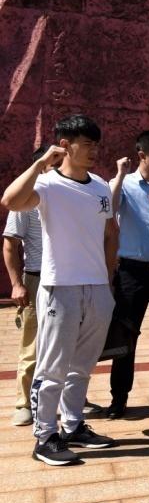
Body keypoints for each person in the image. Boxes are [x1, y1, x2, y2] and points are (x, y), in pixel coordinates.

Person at [2, 117, 119, 465]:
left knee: (82, 365)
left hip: (97, 286)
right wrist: (40, 162)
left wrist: (107, 281)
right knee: (52, 367)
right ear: (65, 145)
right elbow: (10, 200)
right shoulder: (47, 183)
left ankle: (72, 425)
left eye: (96, 144)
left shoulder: (100, 186)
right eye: (87, 143)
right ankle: (44, 437)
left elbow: (108, 234)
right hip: (60, 287)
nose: (94, 150)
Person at [103, 130, 149, 419]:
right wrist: (119, 175)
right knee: (126, 337)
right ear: (142, 154)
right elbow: (109, 210)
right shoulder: (125, 184)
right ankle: (119, 398)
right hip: (132, 271)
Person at [3, 150, 45, 427]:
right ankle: (24, 402)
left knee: (70, 343)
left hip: (69, 278)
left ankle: (73, 397)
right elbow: (10, 244)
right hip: (37, 278)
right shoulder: (25, 200)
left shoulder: (71, 194)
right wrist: (17, 284)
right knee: (32, 344)